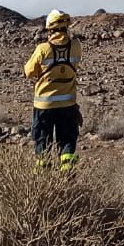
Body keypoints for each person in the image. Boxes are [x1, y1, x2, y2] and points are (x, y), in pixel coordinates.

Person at [24, 9, 82, 172]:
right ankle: (67, 174)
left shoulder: (43, 49)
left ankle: (44, 178)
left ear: (50, 29)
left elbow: (28, 72)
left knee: (42, 142)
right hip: (68, 105)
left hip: (44, 106)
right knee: (67, 141)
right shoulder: (76, 46)